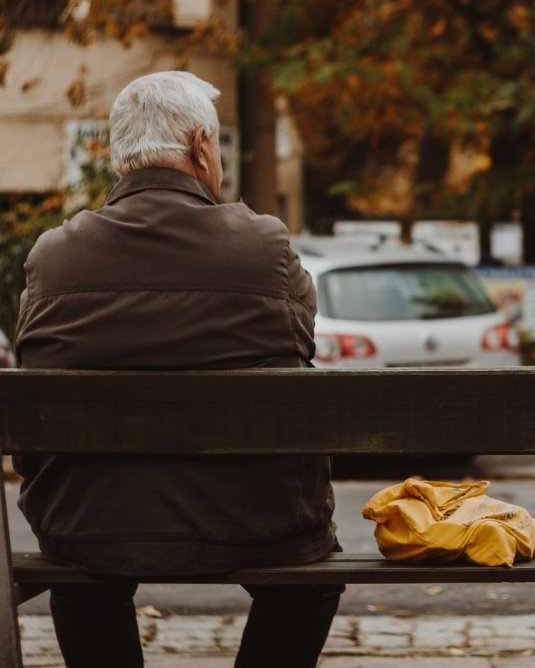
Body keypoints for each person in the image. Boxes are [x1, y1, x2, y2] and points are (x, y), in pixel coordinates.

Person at [14, 71, 342, 667]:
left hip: (90, 527)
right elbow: (298, 350)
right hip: (255, 522)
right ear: (199, 146)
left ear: (120, 158)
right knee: (309, 581)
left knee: (82, 577)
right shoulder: (265, 248)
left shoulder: (54, 257)